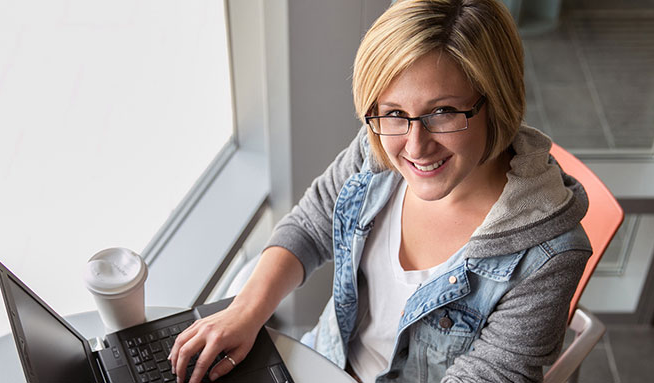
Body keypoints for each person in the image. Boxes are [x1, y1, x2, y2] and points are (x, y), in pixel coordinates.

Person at [169, 0, 592, 382]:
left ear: (496, 102)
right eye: (393, 113)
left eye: (442, 112)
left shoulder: (549, 256)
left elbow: (490, 375)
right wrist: (243, 312)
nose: (414, 147)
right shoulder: (377, 151)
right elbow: (311, 224)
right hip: (322, 361)